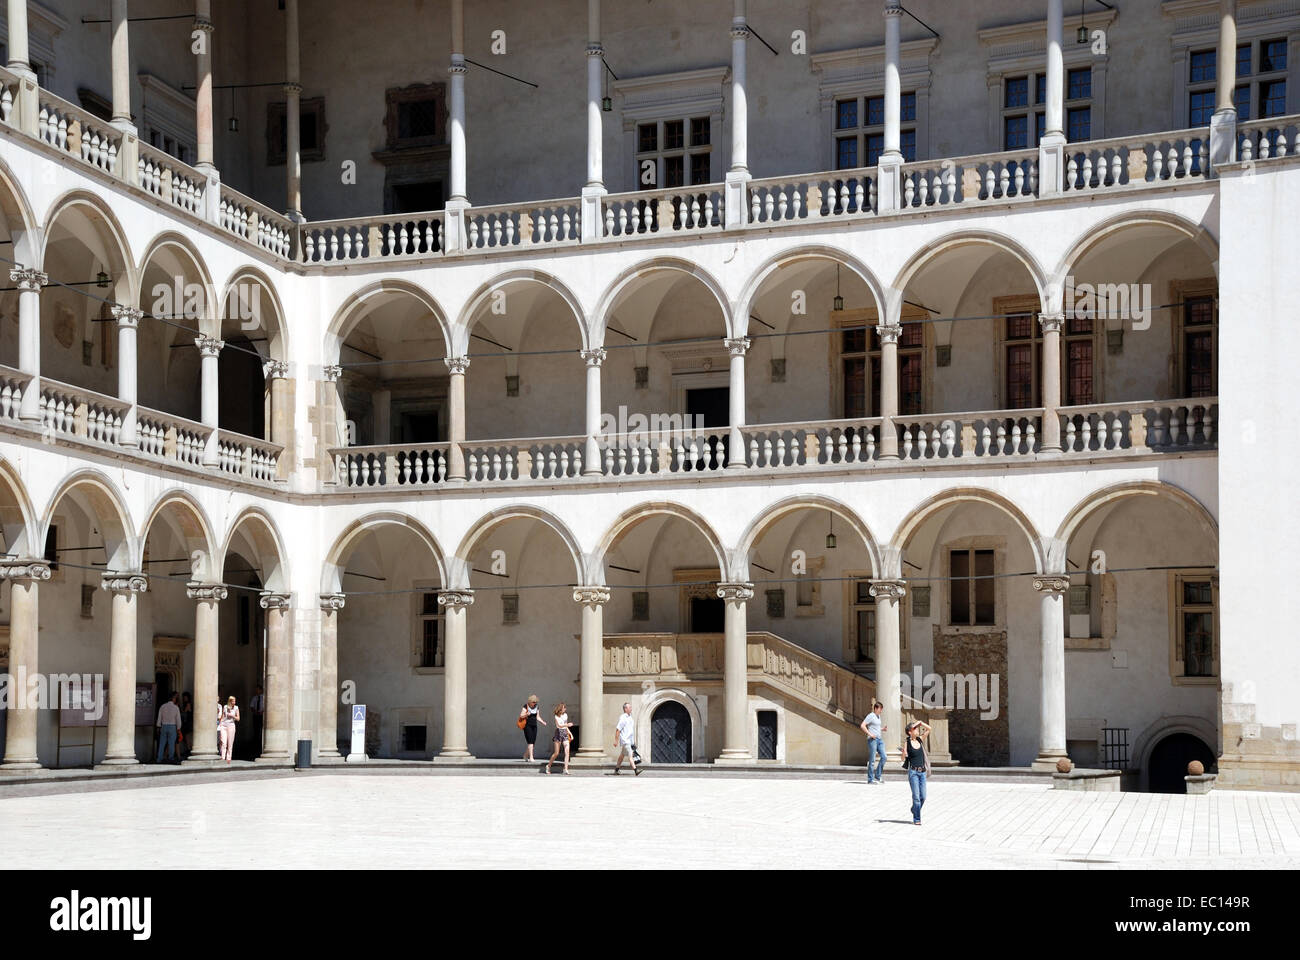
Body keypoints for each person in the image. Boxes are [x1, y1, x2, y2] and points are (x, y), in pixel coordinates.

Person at [904, 720, 933, 825]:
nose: (917, 730)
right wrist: (904, 753)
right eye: (914, 728)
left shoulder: (920, 740)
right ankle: (917, 819)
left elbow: (929, 729)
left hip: (922, 773)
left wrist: (920, 723)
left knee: (923, 796)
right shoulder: (907, 742)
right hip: (913, 773)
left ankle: (914, 809)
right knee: (916, 797)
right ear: (909, 732)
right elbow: (903, 757)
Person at [859, 700, 887, 784]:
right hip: (872, 740)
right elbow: (862, 725)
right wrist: (870, 734)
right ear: (875, 708)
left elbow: (875, 727)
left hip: (879, 739)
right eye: (880, 709)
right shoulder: (871, 715)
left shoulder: (878, 716)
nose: (881, 711)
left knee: (884, 757)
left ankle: (877, 776)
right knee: (872, 760)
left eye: (882, 709)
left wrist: (882, 729)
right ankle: (870, 779)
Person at [612, 702, 641, 775]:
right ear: (625, 709)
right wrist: (616, 741)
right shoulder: (623, 718)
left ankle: (616, 770)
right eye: (629, 707)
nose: (631, 709)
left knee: (621, 756)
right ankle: (636, 770)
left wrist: (633, 742)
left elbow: (630, 731)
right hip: (625, 740)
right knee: (630, 755)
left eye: (631, 707)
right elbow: (618, 729)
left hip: (629, 741)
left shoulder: (630, 717)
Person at [545, 702, 572, 775]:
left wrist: (570, 733)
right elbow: (559, 725)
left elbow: (565, 726)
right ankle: (548, 766)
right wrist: (567, 724)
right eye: (564, 708)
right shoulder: (556, 716)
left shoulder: (566, 715)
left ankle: (565, 769)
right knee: (556, 753)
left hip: (565, 733)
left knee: (567, 752)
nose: (565, 709)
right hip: (558, 733)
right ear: (561, 709)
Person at [519, 694, 547, 761]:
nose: (534, 703)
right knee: (530, 742)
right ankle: (531, 757)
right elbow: (521, 715)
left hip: (534, 726)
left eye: (535, 702)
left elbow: (538, 717)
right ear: (530, 701)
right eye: (533, 702)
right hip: (527, 726)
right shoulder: (526, 706)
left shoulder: (537, 707)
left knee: (533, 743)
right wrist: (526, 714)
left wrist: (543, 722)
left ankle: (525, 755)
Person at [156, 693, 182, 764]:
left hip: (164, 726)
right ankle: (171, 758)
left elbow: (159, 718)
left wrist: (158, 726)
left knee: (162, 743)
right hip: (172, 726)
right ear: (173, 699)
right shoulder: (176, 708)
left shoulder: (162, 706)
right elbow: (178, 719)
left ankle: (159, 759)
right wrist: (178, 728)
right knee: (171, 743)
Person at [218, 695, 240, 763]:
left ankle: (228, 758)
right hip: (224, 725)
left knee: (230, 743)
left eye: (235, 701)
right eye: (233, 701)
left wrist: (233, 716)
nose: (234, 702)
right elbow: (223, 716)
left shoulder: (236, 708)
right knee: (223, 742)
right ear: (230, 701)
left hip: (231, 725)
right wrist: (220, 723)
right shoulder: (225, 707)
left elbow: (238, 719)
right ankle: (222, 757)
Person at [250, 685, 266, 757]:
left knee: (262, 729)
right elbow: (252, 706)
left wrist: (262, 711)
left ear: (261, 690)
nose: (256, 691)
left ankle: (261, 741)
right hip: (256, 715)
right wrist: (255, 711)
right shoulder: (254, 698)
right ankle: (256, 742)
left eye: (257, 690)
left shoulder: (264, 697)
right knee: (256, 729)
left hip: (262, 715)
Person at [179, 692, 194, 761]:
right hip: (187, 723)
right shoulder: (187, 703)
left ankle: (189, 751)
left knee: (188, 738)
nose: (184, 698)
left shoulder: (188, 704)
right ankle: (188, 750)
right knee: (187, 738)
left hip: (188, 723)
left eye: (185, 697)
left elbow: (184, 712)